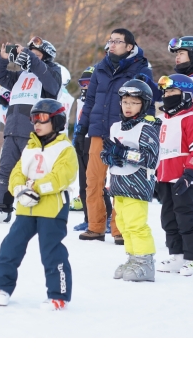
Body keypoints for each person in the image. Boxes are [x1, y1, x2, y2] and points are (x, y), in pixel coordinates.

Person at [0, 99, 77, 311]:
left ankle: (58, 295)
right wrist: (19, 189)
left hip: (52, 209)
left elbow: (61, 178)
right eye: (34, 119)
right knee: (10, 247)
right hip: (25, 208)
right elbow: (17, 173)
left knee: (51, 251)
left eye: (43, 118)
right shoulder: (29, 147)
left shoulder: (65, 149)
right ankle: (1, 287)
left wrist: (35, 188)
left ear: (56, 121)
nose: (37, 123)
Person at [73, 28, 153, 244]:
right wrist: (82, 128)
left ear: (129, 46)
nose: (112, 44)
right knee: (93, 181)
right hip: (98, 131)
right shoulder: (100, 68)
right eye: (111, 40)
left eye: (118, 41)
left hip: (124, 134)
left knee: (120, 182)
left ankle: (120, 230)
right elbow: (90, 101)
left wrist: (145, 130)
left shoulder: (141, 68)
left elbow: (148, 101)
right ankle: (96, 227)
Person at [0, 36, 62, 223]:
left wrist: (30, 56)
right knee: (5, 171)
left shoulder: (52, 72)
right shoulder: (20, 76)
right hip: (12, 130)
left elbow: (51, 84)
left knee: (34, 173)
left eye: (35, 55)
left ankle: (39, 207)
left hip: (34, 133)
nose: (28, 58)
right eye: (27, 55)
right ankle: (2, 208)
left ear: (45, 57)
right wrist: (3, 59)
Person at [102, 79, 160, 282]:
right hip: (118, 183)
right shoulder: (116, 127)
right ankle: (133, 258)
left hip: (137, 184)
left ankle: (145, 262)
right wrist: (110, 156)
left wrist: (125, 153)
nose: (128, 106)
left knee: (136, 224)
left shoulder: (147, 128)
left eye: (134, 102)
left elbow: (150, 159)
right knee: (123, 223)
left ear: (143, 104)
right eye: (125, 101)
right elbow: (106, 152)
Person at [154, 74, 193, 276]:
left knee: (186, 217)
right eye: (166, 92)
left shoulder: (192, 118)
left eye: (173, 92)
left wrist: (188, 174)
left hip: (185, 178)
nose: (167, 96)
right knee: (168, 217)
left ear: (185, 95)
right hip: (165, 177)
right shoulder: (163, 120)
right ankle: (177, 255)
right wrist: (156, 176)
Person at [72, 66, 114, 232]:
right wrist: (77, 138)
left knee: (97, 182)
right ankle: (88, 217)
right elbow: (78, 121)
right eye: (83, 83)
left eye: (89, 83)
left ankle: (107, 216)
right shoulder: (81, 101)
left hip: (95, 140)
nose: (85, 87)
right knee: (84, 184)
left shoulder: (101, 101)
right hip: (81, 141)